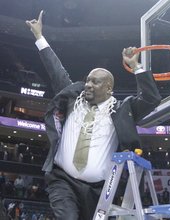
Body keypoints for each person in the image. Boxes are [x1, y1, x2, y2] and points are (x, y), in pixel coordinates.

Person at [26, 10, 161, 220]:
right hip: (62, 180)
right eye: (87, 80)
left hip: (98, 189)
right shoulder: (73, 98)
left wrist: (136, 66)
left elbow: (151, 99)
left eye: (94, 82)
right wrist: (39, 37)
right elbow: (56, 71)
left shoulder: (121, 109)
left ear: (109, 89)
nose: (88, 84)